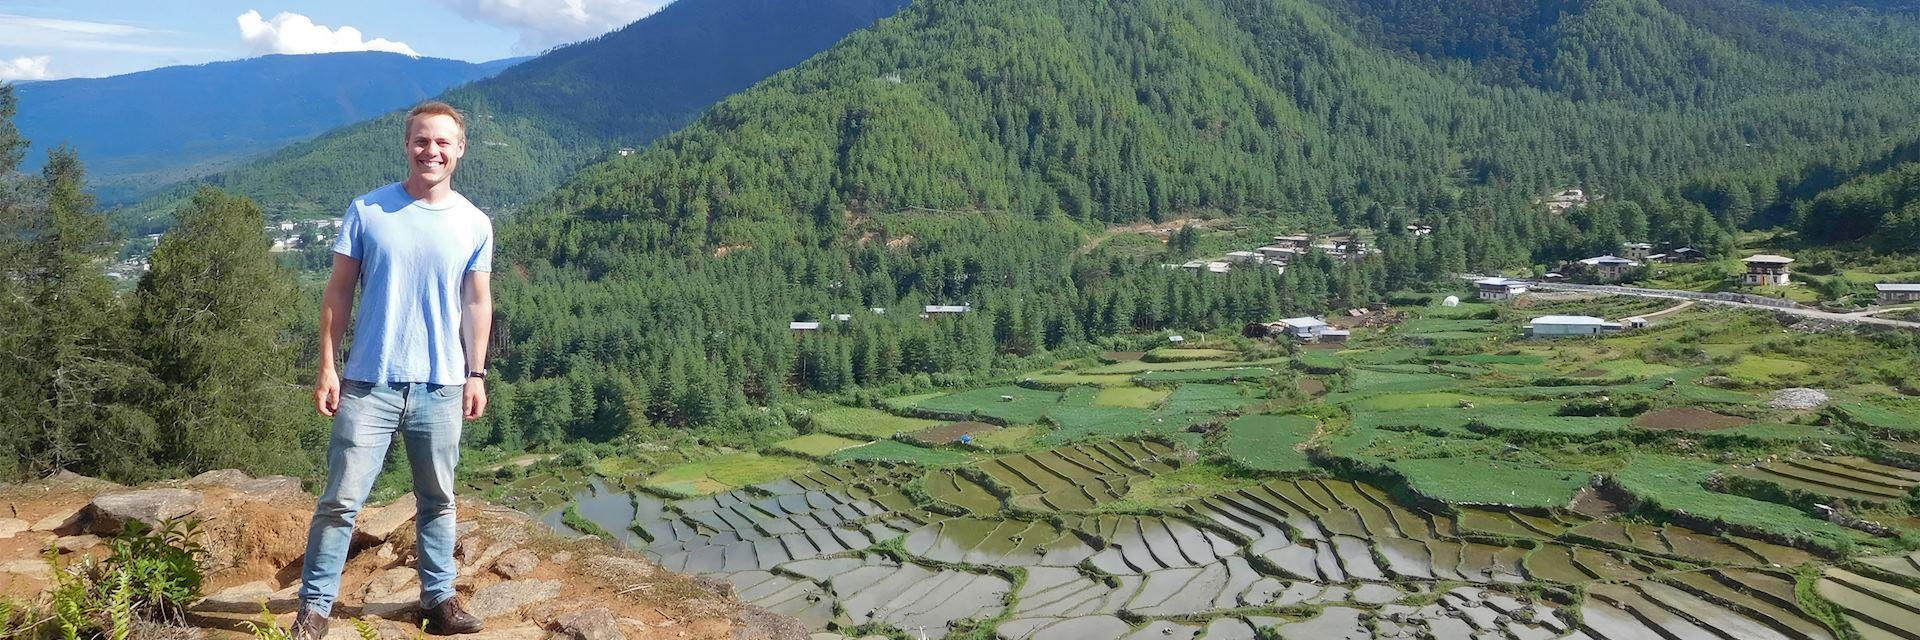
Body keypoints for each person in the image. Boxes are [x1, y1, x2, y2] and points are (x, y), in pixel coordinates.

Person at [293, 101, 493, 639]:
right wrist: (328, 367)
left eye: (443, 142)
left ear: (460, 149)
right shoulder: (369, 211)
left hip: (444, 384)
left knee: (439, 499)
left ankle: (439, 599)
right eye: (422, 141)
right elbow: (338, 291)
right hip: (368, 382)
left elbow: (478, 303)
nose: (432, 151)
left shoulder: (475, 222)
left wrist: (477, 374)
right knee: (340, 501)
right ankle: (314, 608)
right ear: (407, 145)